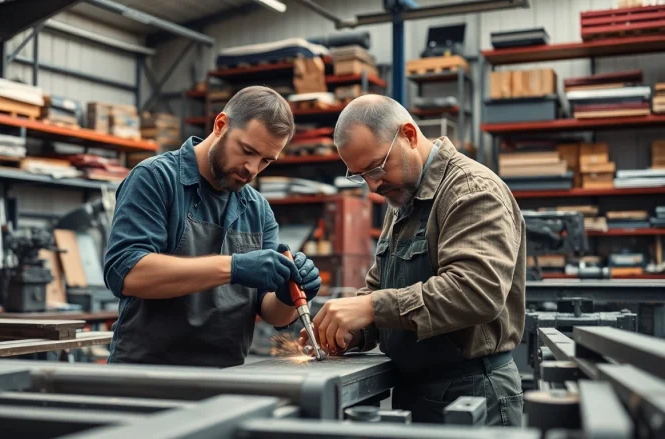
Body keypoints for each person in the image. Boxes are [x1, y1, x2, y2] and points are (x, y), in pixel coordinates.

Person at [299, 95, 526, 426]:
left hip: (474, 394)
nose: (373, 185)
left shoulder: (471, 191)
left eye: (376, 168)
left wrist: (371, 308)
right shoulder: (402, 202)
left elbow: (477, 291)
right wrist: (350, 330)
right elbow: (382, 287)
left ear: (408, 134)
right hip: (417, 392)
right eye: (360, 175)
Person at [104, 86, 322, 368]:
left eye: (266, 160)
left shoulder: (258, 209)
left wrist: (288, 294)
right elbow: (127, 273)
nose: (252, 169)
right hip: (148, 373)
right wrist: (233, 268)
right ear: (221, 125)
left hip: (226, 375)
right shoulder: (156, 179)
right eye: (247, 150)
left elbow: (273, 314)